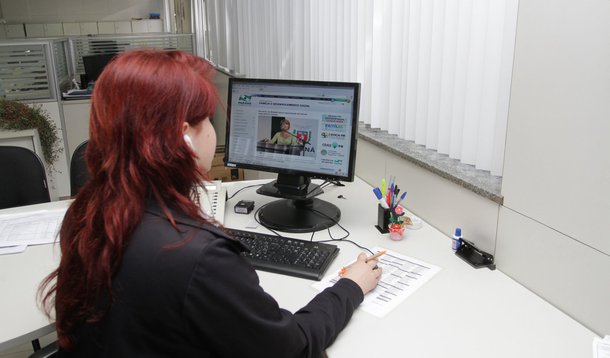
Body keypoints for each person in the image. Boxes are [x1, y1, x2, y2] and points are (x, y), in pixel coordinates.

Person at [40, 49, 381, 357]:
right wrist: (349, 287)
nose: (215, 131)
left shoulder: (87, 211)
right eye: (208, 120)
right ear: (183, 136)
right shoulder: (197, 256)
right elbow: (292, 347)